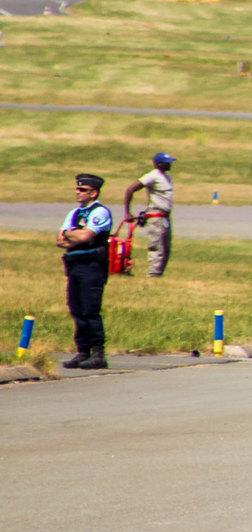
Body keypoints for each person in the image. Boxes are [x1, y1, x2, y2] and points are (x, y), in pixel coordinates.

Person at [58, 173, 116, 369]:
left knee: (90, 309)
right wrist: (71, 235)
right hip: (74, 265)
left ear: (94, 193)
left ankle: (98, 353)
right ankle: (82, 351)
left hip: (92, 266)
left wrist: (71, 235)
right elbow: (60, 239)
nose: (78, 192)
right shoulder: (73, 213)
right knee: (76, 308)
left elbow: (86, 236)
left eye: (83, 190)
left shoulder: (100, 212)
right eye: (77, 188)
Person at [122, 151, 176, 278]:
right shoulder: (152, 176)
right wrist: (127, 212)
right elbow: (130, 189)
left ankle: (159, 274)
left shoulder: (167, 177)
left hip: (165, 216)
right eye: (167, 163)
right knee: (157, 247)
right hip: (156, 216)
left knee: (165, 248)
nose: (170, 165)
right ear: (158, 164)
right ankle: (153, 275)